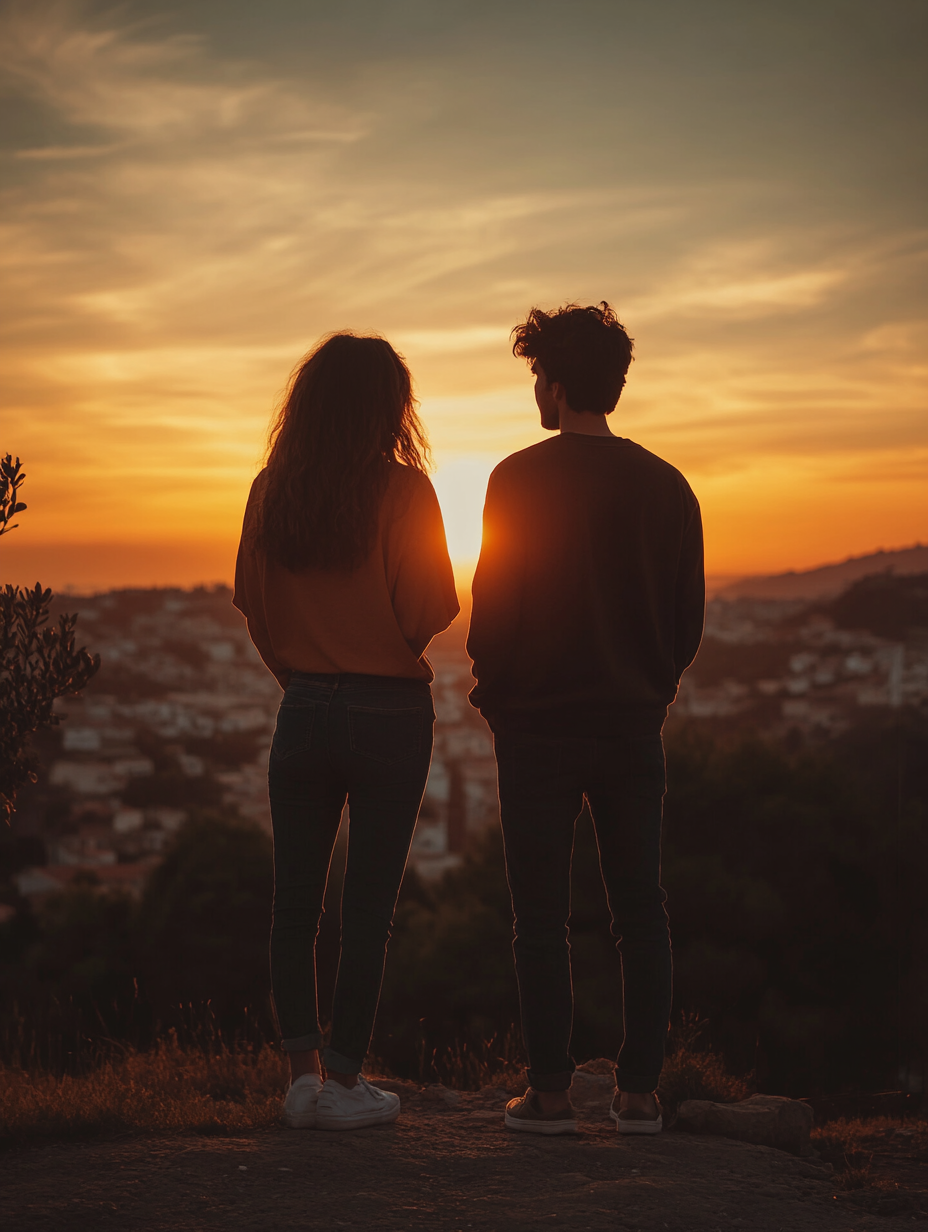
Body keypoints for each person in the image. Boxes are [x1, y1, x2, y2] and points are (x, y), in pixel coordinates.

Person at [467, 303, 704, 1136]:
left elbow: (490, 617)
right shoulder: (670, 488)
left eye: (538, 376)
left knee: (540, 916)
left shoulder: (515, 480)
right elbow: (686, 625)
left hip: (535, 728)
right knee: (642, 908)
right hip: (632, 727)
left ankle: (552, 1094)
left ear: (557, 385)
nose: (535, 389)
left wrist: (496, 696)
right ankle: (640, 1096)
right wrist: (648, 692)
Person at [234, 333, 458, 1131]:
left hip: (302, 707)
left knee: (292, 902)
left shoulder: (271, 490)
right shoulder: (406, 493)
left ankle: (298, 1079)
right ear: (388, 409)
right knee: (368, 905)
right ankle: (346, 1081)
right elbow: (428, 611)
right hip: (389, 711)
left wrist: (305, 674)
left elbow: (255, 611)